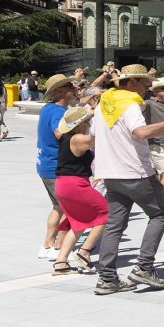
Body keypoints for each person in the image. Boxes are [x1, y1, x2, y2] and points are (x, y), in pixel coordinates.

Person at [92, 64, 164, 295]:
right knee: (160, 215)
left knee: (114, 225)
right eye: (146, 83)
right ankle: (144, 267)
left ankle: (107, 278)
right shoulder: (130, 104)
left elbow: (94, 135)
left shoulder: (104, 103)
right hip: (135, 173)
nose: (148, 88)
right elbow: (141, 132)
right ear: (132, 82)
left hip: (111, 174)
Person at [50, 107, 106, 275]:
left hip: (64, 184)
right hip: (74, 185)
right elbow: (100, 139)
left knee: (78, 223)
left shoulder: (66, 137)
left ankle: (61, 262)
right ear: (80, 124)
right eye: (88, 121)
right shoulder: (78, 138)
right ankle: (85, 251)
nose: (90, 123)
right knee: (106, 213)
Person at [35, 73, 79, 258]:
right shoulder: (58, 112)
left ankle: (46, 245)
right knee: (70, 209)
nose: (74, 89)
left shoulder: (48, 108)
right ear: (60, 91)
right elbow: (59, 132)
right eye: (70, 87)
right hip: (56, 167)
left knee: (58, 207)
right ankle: (58, 247)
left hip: (45, 165)